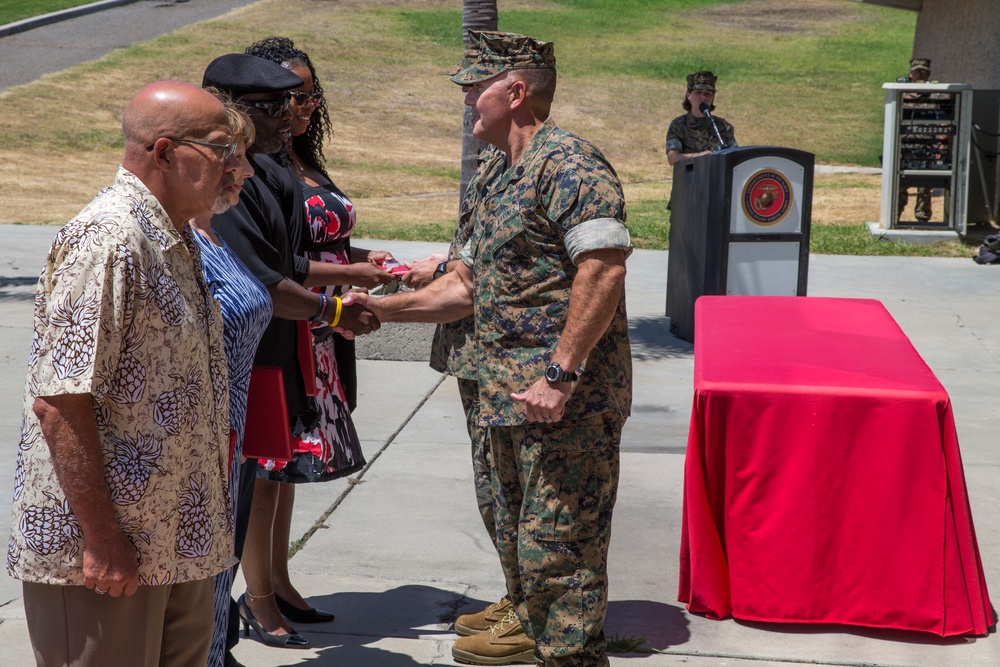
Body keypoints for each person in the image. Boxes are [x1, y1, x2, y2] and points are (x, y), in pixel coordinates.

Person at [346, 31, 633, 667]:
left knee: (560, 544)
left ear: (517, 91)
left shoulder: (572, 166)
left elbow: (604, 269)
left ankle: (571, 656)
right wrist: (378, 309)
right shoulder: (497, 173)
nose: (467, 99)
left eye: (476, 87)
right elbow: (466, 286)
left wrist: (560, 374)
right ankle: (529, 623)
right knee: (512, 527)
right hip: (500, 391)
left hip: (560, 399)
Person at [7, 81, 241, 667]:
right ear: (164, 152)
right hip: (110, 556)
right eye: (220, 149)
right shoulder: (110, 240)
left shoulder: (177, 235)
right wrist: (104, 538)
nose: (236, 166)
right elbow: (61, 405)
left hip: (178, 545)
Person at [202, 52, 382, 653]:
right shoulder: (230, 177)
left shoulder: (270, 171)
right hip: (241, 365)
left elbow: (286, 265)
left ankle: (239, 615)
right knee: (228, 503)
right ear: (232, 109)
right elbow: (264, 281)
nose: (293, 115)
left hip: (273, 356)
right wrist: (333, 309)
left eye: (297, 101)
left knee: (259, 483)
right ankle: (233, 619)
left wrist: (350, 274)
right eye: (275, 105)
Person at [242, 35, 396, 627]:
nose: (302, 106)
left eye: (309, 95)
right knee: (266, 467)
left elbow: (315, 241)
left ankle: (278, 581)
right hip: (288, 326)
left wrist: (363, 258)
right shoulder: (259, 164)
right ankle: (257, 601)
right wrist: (350, 271)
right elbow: (278, 263)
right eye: (290, 96)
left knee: (289, 469)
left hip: (321, 331)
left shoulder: (299, 158)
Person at [189, 101, 273, 667]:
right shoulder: (178, 244)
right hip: (197, 453)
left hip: (231, 447)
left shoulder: (213, 234)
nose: (243, 172)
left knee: (216, 594)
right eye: (233, 158)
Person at [665, 70, 738, 166]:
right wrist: (699, 156)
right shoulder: (678, 125)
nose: (703, 97)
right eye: (698, 92)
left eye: (708, 93)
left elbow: (736, 156)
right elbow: (673, 158)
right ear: (688, 95)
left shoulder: (723, 126)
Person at [897, 57, 934, 223]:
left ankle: (923, 218)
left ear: (929, 73)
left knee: (925, 187)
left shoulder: (936, 93)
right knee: (899, 185)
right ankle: (894, 216)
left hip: (927, 148)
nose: (919, 74)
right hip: (904, 148)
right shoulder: (901, 92)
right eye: (916, 71)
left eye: (923, 71)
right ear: (910, 73)